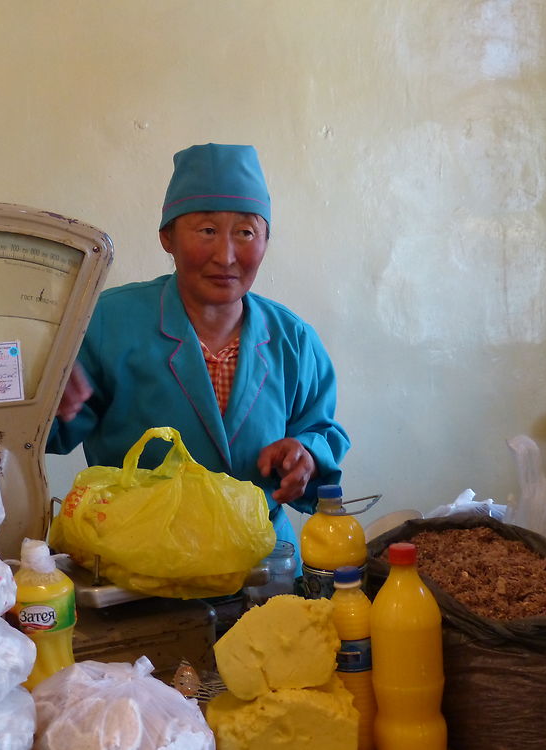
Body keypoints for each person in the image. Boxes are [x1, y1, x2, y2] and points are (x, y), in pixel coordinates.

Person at [47, 142, 350, 574]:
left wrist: (305, 453)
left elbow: (321, 429)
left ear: (265, 239)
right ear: (167, 238)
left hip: (264, 567)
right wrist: (47, 397)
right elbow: (51, 431)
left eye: (245, 233)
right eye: (207, 231)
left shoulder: (293, 338)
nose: (226, 255)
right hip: (141, 571)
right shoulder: (106, 322)